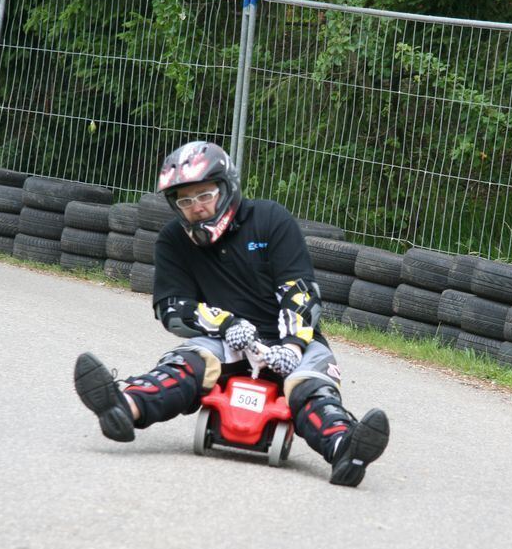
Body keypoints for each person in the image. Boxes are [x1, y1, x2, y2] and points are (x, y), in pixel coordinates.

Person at [73, 141, 390, 487]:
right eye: (185, 200)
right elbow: (172, 307)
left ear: (226, 187)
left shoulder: (271, 219)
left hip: (291, 343)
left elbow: (300, 292)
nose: (197, 207)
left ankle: (346, 448)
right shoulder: (171, 242)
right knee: (187, 366)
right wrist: (227, 324)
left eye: (205, 195)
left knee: (310, 387)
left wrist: (293, 347)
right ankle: (123, 406)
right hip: (226, 343)